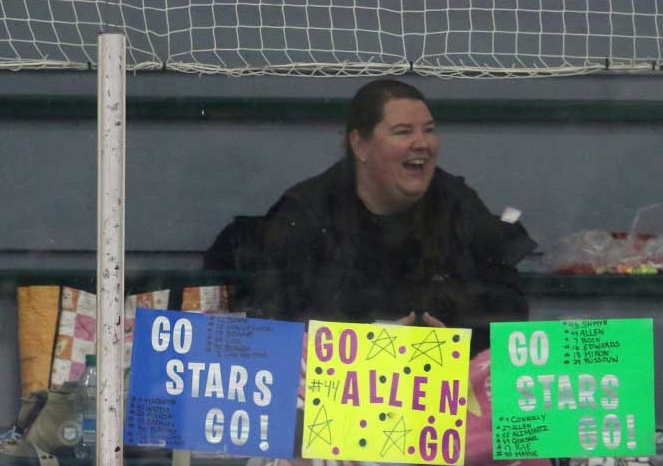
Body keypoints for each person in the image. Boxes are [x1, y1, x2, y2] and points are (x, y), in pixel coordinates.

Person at [204, 78, 536, 354]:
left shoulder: (455, 202)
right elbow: (274, 323)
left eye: (429, 130)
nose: (422, 143)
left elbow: (506, 304)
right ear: (360, 146)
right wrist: (370, 347)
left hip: (441, 387)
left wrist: (459, 339)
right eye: (403, 131)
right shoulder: (307, 213)